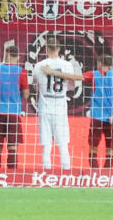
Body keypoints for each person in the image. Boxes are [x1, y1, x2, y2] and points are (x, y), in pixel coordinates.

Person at [33, 35, 80, 172]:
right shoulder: (67, 65)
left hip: (45, 103)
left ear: (46, 49)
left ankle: (46, 169)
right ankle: (66, 167)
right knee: (62, 140)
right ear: (59, 49)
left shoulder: (40, 65)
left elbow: (35, 84)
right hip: (60, 102)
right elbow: (72, 86)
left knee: (46, 140)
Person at [82, 54, 113, 170]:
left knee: (93, 146)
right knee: (110, 147)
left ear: (100, 63)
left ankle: (94, 171)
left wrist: (55, 73)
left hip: (97, 117)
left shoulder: (93, 74)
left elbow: (75, 77)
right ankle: (108, 173)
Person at [0, 45, 29, 171]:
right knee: (12, 146)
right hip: (12, 113)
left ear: (6, 54)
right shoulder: (20, 71)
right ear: (18, 56)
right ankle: (12, 175)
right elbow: (26, 94)